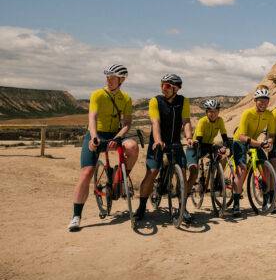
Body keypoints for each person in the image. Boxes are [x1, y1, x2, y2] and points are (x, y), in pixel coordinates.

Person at [68, 64, 139, 231]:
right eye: (107, 76)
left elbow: (127, 123)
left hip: (115, 135)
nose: (108, 79)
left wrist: (118, 137)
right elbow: (92, 117)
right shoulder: (97, 95)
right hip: (96, 135)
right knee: (86, 173)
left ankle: (119, 178)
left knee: (133, 147)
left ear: (121, 80)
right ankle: (76, 216)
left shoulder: (126, 98)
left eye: (112, 77)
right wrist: (93, 138)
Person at [135, 73, 194, 223]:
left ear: (176, 88)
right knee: (152, 171)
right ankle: (141, 207)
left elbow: (186, 121)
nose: (163, 88)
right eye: (162, 84)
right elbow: (155, 122)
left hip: (175, 141)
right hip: (158, 141)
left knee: (183, 172)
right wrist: (158, 140)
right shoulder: (156, 101)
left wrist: (188, 138)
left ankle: (183, 208)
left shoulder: (183, 101)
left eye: (167, 85)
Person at [229, 87, 275, 217]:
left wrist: (269, 142)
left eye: (265, 101)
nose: (263, 103)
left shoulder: (269, 115)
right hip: (240, 141)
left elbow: (271, 134)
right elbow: (242, 136)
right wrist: (260, 143)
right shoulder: (247, 113)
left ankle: (266, 201)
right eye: (260, 100)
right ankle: (236, 204)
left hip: (254, 142)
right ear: (255, 100)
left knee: (265, 167)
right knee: (242, 170)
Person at [190, 98, 230, 205]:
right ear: (206, 112)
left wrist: (224, 147)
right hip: (198, 144)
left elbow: (224, 137)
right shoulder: (202, 121)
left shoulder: (220, 121)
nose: (213, 114)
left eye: (215, 111)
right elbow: (198, 138)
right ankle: (196, 181)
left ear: (218, 112)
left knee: (223, 156)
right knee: (195, 163)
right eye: (210, 112)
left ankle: (217, 181)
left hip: (209, 144)